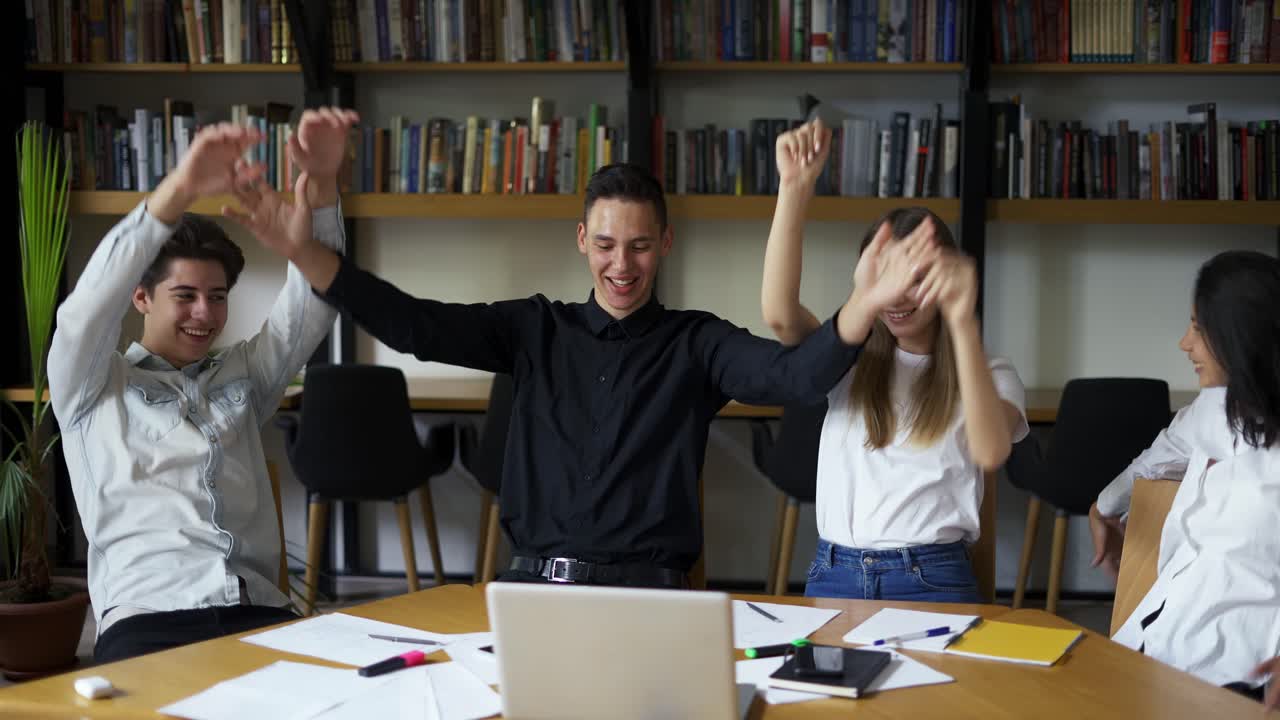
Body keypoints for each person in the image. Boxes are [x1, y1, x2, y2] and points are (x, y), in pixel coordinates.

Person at [229, 159, 925, 590]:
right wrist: (309, 256)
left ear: (665, 245)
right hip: (534, 585)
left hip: (653, 595)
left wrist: (862, 302)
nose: (622, 266)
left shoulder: (696, 342)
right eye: (606, 244)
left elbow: (796, 378)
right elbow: (419, 327)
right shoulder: (534, 328)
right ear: (581, 241)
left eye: (640, 246)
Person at [47, 108, 358, 663]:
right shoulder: (91, 385)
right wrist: (181, 189)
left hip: (260, 614)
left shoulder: (245, 374)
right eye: (184, 295)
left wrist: (327, 186)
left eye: (217, 296)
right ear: (140, 297)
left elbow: (316, 301)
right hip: (149, 620)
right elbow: (86, 312)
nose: (204, 313)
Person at [760, 118, 1028, 603]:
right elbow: (779, 315)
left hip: (932, 574)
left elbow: (991, 452)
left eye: (917, 279)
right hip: (834, 569)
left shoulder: (989, 371)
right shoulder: (847, 355)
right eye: (886, 279)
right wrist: (794, 189)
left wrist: (963, 320)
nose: (899, 296)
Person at [1090, 251, 1280, 701]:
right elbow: (1157, 456)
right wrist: (1102, 506)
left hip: (1238, 674)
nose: (1184, 343)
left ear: (1239, 333)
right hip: (1154, 647)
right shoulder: (1214, 409)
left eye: (1197, 327)